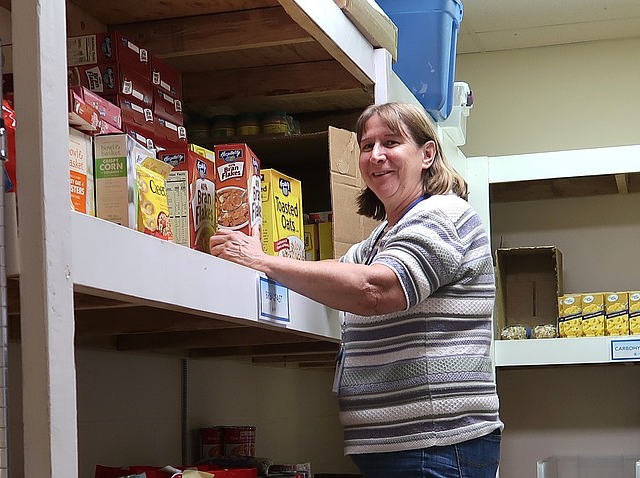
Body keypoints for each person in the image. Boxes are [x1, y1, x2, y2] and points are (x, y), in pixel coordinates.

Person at [210, 102, 503, 477]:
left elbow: (374, 290)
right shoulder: (383, 237)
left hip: (436, 444)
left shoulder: (443, 215)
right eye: (367, 146)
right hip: (410, 448)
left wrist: (262, 261)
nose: (376, 156)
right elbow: (339, 272)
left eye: (391, 142)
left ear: (427, 153)